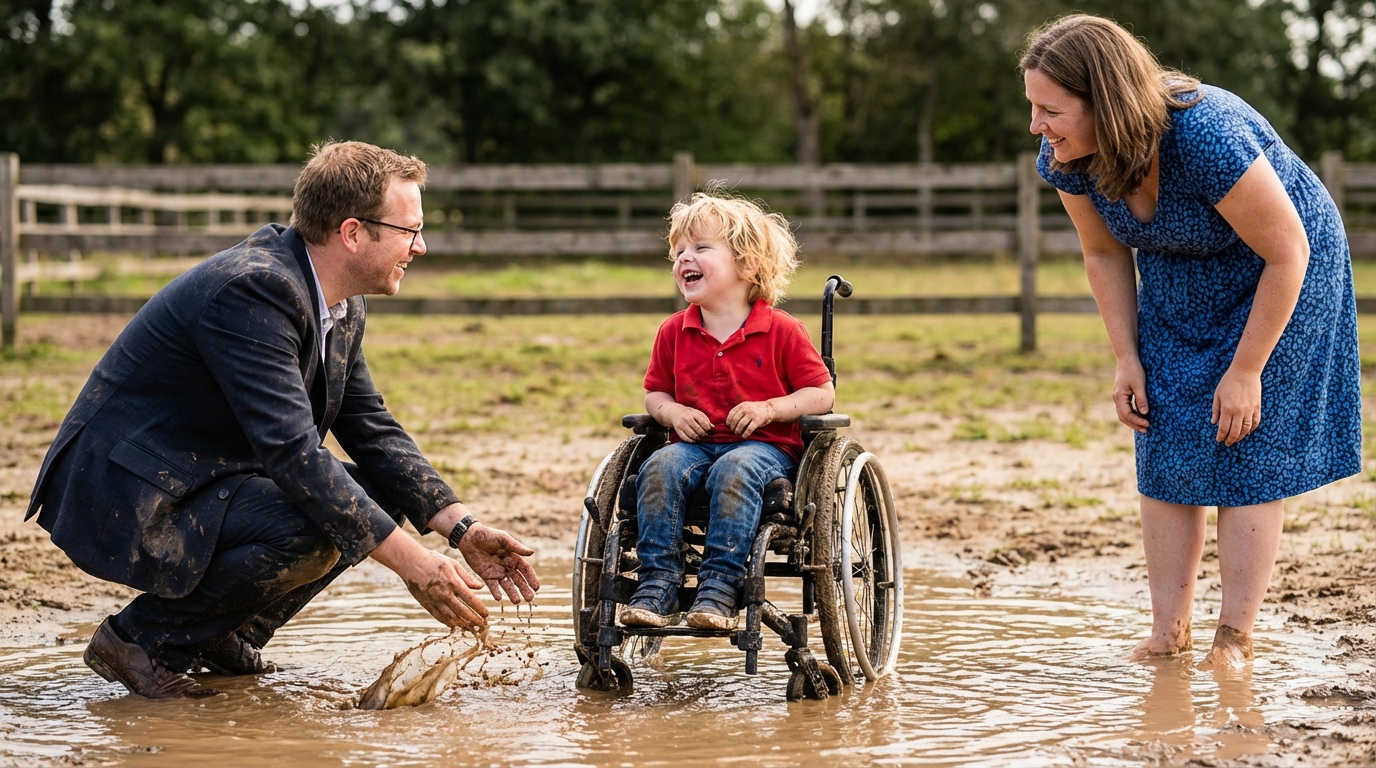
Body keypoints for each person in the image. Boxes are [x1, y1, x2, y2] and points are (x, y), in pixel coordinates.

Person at [25, 141, 540, 699]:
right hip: (127, 487)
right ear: (352, 233)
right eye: (410, 230)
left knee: (377, 496)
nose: (421, 245)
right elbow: (294, 454)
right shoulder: (255, 289)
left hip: (200, 474)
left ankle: (226, 634)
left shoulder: (338, 299)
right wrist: (416, 564)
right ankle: (142, 640)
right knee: (316, 524)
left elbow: (370, 425)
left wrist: (462, 529)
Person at [1021, 15, 1361, 667]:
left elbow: (1288, 250)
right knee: (1164, 428)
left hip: (1284, 267)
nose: (1037, 125)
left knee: (1243, 440)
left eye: (1050, 110)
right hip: (1182, 267)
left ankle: (1233, 639)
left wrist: (1246, 370)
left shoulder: (1205, 133)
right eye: (1032, 107)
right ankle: (1167, 632)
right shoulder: (1066, 156)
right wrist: (1126, 359)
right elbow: (1103, 253)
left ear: (1106, 101)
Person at [619, 192, 835, 632]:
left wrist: (770, 408)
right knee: (659, 466)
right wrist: (673, 414)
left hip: (765, 450)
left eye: (701, 247)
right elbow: (655, 394)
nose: (684, 258)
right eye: (679, 251)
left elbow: (821, 393)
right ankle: (658, 582)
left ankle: (720, 585)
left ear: (747, 265)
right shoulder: (674, 331)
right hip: (694, 446)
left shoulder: (781, 330)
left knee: (734, 468)